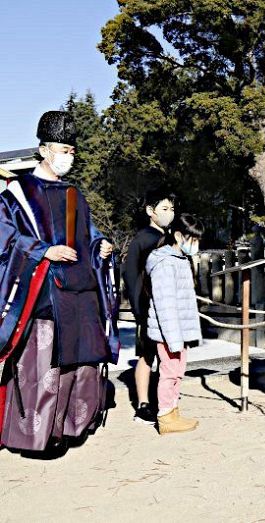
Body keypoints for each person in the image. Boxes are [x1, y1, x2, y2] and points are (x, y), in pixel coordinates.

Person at [0, 111, 118, 453]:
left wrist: (100, 246)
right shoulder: (16, 194)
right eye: (63, 149)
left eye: (71, 150)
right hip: (43, 296)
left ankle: (69, 429)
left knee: (80, 366)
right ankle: (33, 438)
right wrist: (43, 251)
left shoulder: (73, 195)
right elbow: (6, 240)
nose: (69, 156)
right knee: (43, 367)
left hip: (81, 294)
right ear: (43, 150)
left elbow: (87, 237)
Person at [121, 188, 176, 425]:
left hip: (169, 306)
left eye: (172, 209)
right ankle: (143, 404)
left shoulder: (171, 237)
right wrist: (138, 308)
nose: (169, 213)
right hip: (147, 305)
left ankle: (164, 401)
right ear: (150, 211)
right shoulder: (142, 239)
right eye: (164, 209)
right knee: (147, 354)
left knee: (169, 354)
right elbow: (131, 274)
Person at [146, 213, 203, 434]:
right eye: (193, 239)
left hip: (179, 331)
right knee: (169, 373)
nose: (196, 245)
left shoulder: (179, 260)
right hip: (170, 332)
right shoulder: (165, 263)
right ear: (179, 235)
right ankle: (166, 416)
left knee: (177, 372)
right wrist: (173, 338)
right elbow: (165, 304)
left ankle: (173, 411)